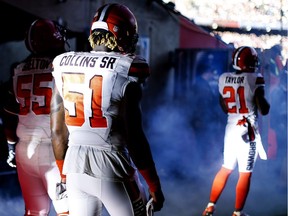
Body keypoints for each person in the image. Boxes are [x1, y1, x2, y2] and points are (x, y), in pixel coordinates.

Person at [50, 3, 165, 216]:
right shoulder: (126, 67)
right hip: (111, 163)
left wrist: (63, 176)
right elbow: (135, 137)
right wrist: (154, 184)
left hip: (74, 166)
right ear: (120, 35)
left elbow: (57, 131)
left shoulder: (63, 63)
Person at [2, 19, 69, 216]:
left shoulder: (18, 69)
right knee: (68, 211)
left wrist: (11, 146)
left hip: (25, 149)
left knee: (34, 212)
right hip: (55, 149)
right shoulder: (62, 67)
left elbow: (8, 113)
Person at [202, 46, 270, 216]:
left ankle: (210, 206)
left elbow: (224, 107)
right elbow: (264, 109)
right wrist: (258, 97)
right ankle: (237, 213)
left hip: (230, 128)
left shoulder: (224, 78)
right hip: (247, 131)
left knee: (225, 168)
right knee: (245, 173)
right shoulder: (255, 78)